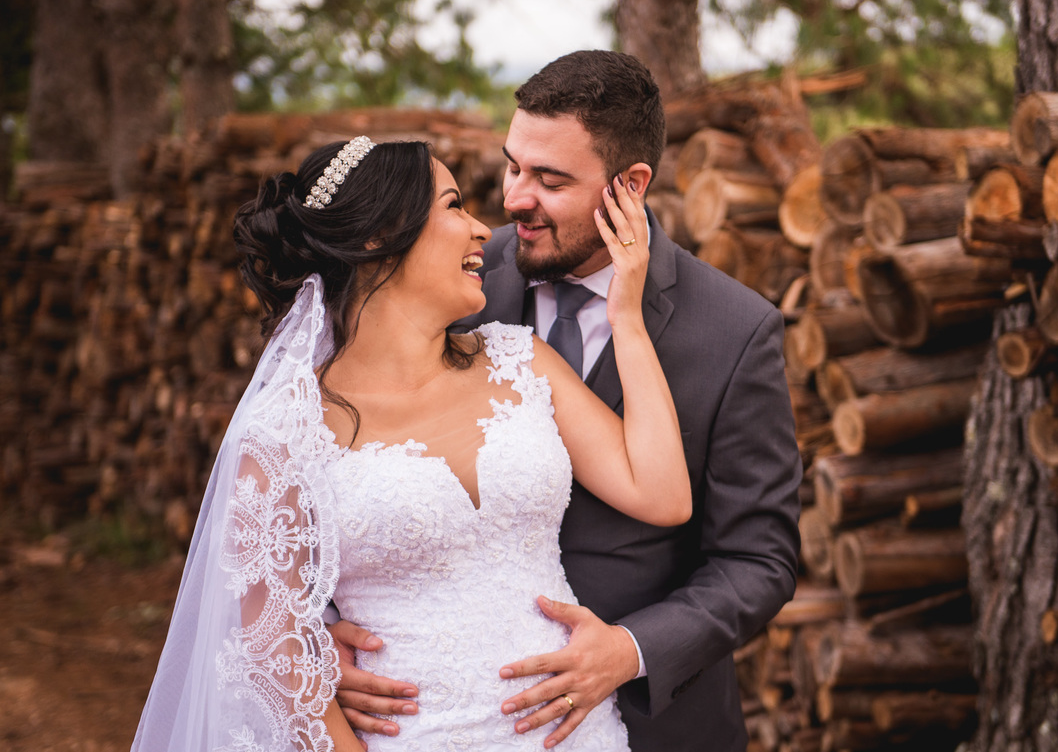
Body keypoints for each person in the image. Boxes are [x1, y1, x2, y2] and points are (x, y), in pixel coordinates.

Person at [131, 136, 694, 752]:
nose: (483, 228)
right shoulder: (285, 433)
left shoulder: (520, 361)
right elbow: (271, 649)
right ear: (379, 236)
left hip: (580, 737)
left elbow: (662, 494)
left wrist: (628, 319)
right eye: (453, 206)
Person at [332, 51, 803, 751]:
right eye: (513, 165)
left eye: (549, 179)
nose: (516, 197)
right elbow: (328, 464)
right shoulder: (446, 278)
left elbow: (759, 559)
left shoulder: (734, 331)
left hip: (652, 728)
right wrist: (316, 635)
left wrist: (631, 648)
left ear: (630, 184)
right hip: (428, 717)